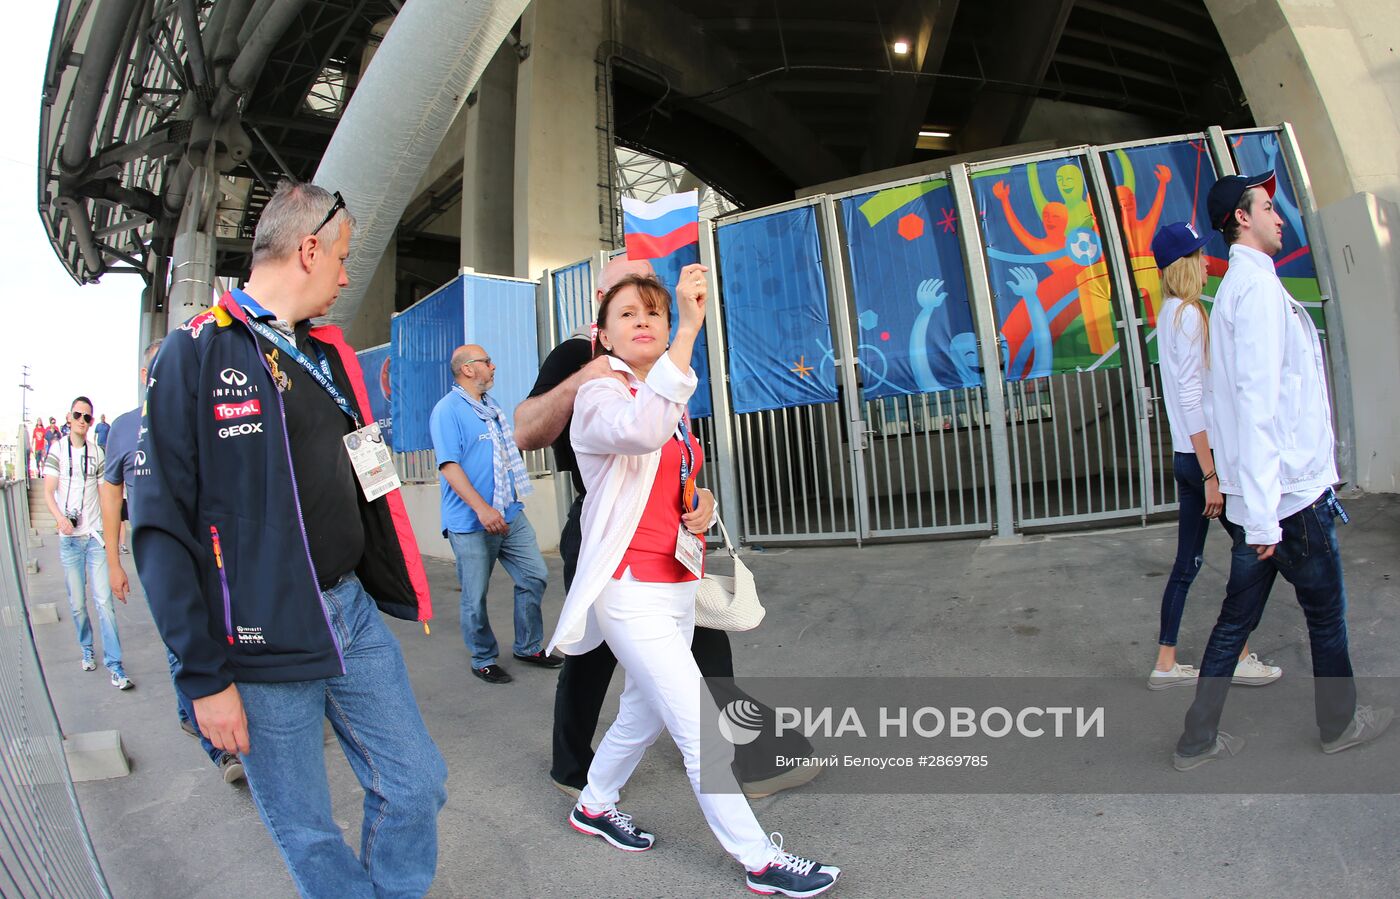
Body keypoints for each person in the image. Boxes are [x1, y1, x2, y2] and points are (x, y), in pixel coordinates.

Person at [133, 180, 447, 895]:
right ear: (308, 248)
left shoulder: (328, 356)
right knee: (306, 827)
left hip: (350, 615)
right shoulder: (193, 355)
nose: (345, 274)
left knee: (417, 784)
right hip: (258, 642)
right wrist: (203, 678)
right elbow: (159, 532)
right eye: (341, 257)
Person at [547, 267, 841, 898]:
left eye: (654, 310)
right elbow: (640, 432)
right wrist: (688, 325)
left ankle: (594, 804)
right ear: (602, 336)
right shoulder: (600, 398)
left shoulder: (669, 403)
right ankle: (760, 859)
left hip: (678, 581)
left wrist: (701, 502)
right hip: (630, 590)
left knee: (640, 714)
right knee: (699, 727)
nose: (645, 320)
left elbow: (671, 478)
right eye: (629, 314)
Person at [1172, 174, 1393, 770]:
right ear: (1241, 220)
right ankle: (1340, 723)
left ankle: (1197, 740)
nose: (1278, 216)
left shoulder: (1241, 291)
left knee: (1234, 620)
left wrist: (1253, 510)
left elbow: (1239, 403)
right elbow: (1257, 405)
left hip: (1262, 502)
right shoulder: (1258, 293)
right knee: (1325, 613)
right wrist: (1267, 518)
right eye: (1267, 207)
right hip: (1287, 503)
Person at [1146, 221, 1281, 691]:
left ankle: (1167, 663)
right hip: (1205, 461)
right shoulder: (1188, 314)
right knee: (1254, 547)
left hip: (1187, 456)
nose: (1207, 262)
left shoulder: (1167, 313)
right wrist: (1211, 472)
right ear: (1183, 264)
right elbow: (1189, 399)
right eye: (1199, 255)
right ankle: (1237, 653)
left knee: (1189, 564)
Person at [103, 340, 244, 784]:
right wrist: (113, 561)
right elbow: (111, 497)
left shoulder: (208, 413)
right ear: (147, 374)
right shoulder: (125, 429)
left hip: (221, 553)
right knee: (182, 643)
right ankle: (217, 747)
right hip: (166, 558)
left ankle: (213, 712)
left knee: (227, 636)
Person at [429, 343, 555, 684]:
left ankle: (528, 646)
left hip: (510, 514)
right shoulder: (448, 410)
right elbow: (449, 466)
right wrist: (482, 509)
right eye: (486, 361)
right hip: (471, 524)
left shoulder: (491, 407)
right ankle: (482, 657)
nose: (493, 366)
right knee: (475, 597)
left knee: (534, 576)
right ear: (468, 369)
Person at [44, 397, 131, 689]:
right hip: (69, 538)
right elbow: (48, 492)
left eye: (88, 417)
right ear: (69, 417)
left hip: (94, 537)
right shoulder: (57, 450)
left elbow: (107, 496)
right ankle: (86, 648)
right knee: (78, 604)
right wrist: (60, 519)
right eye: (79, 415)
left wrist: (115, 537)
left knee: (104, 602)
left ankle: (115, 666)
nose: (83, 421)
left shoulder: (97, 453)